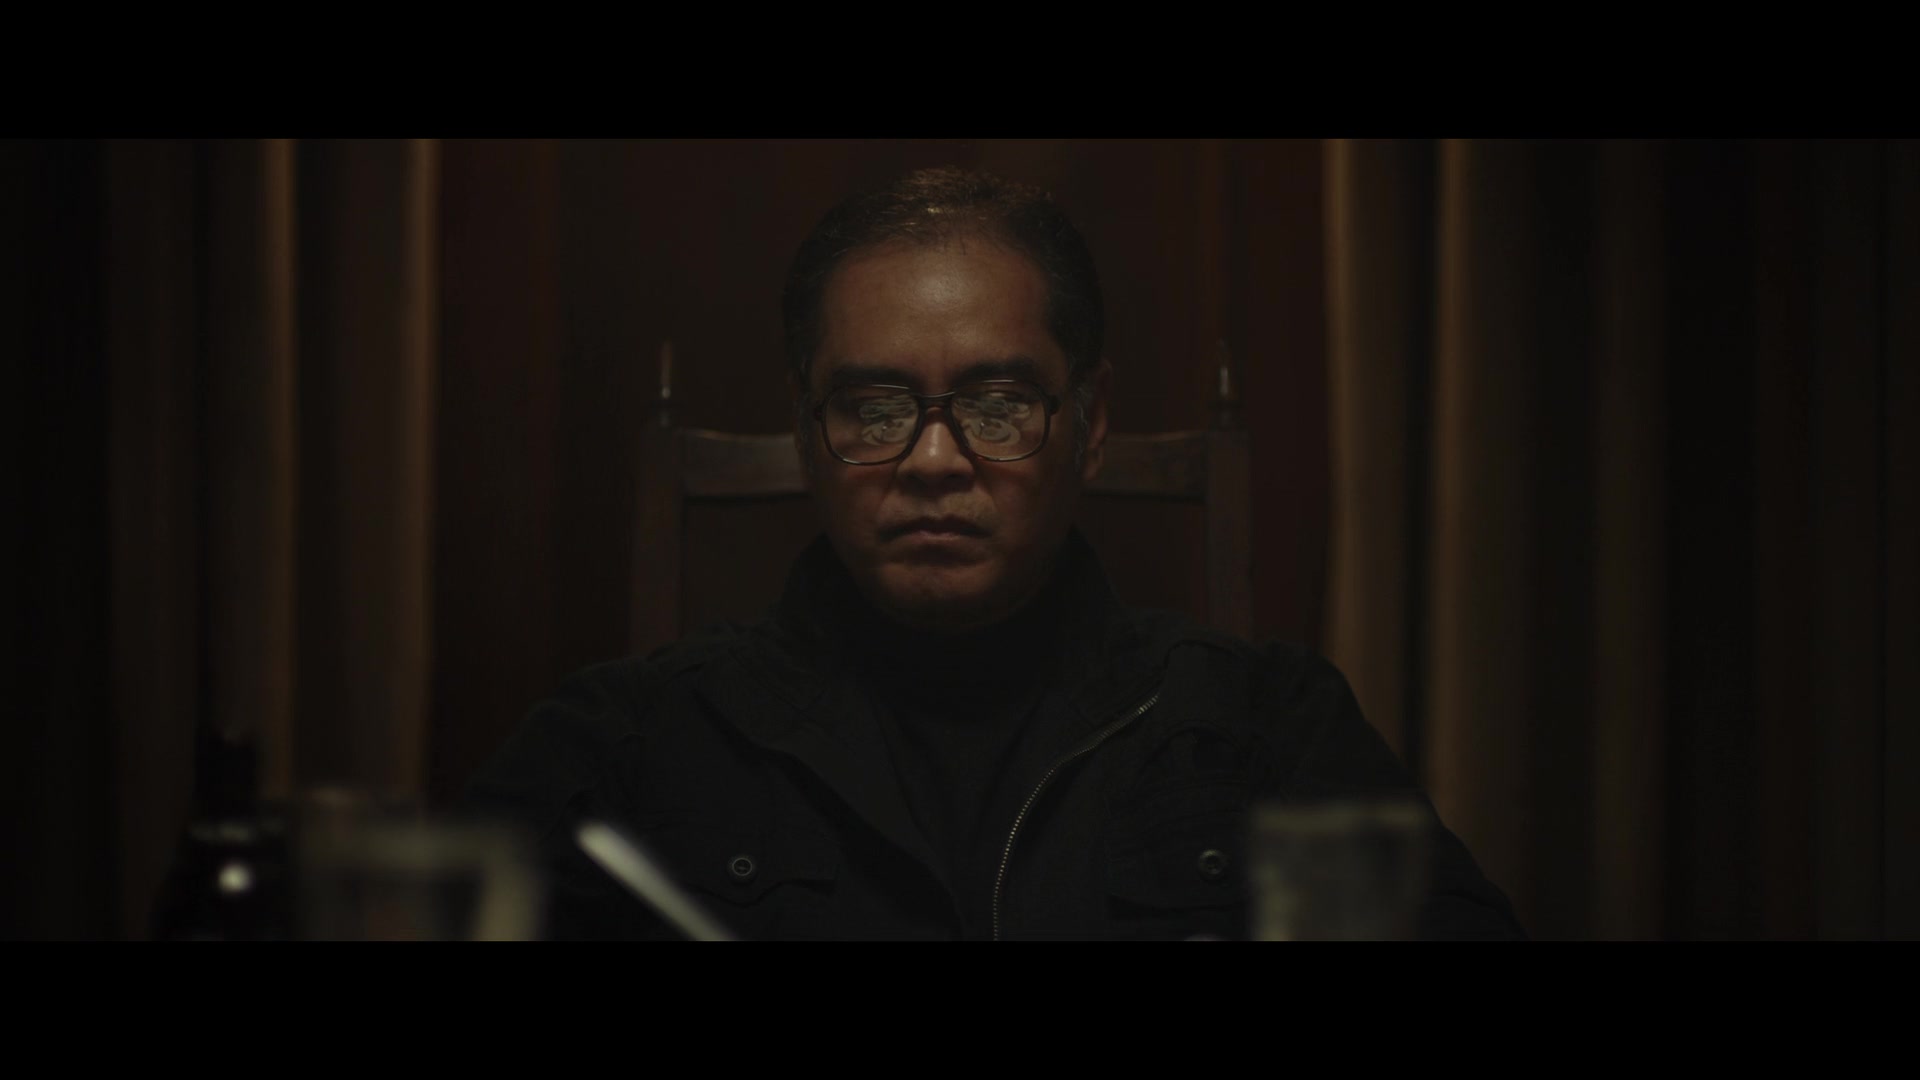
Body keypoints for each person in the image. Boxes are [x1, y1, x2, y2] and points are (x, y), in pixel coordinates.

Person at [466, 166, 1524, 940]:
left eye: (999, 403)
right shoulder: (629, 740)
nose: (934, 460)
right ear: (806, 429)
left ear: (1089, 423)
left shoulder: (1265, 725)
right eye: (875, 407)